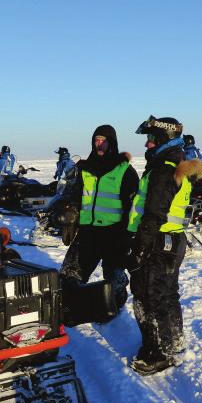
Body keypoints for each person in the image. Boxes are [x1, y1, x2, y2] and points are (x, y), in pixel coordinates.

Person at [127, 115, 202, 375]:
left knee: (149, 295)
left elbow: (154, 212)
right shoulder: (175, 163)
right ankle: (172, 344)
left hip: (158, 240)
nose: (147, 145)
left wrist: (140, 247)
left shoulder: (163, 168)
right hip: (171, 239)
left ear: (163, 138)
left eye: (151, 139)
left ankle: (159, 352)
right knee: (167, 294)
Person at [59, 125, 139, 312]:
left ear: (112, 142)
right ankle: (67, 308)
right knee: (70, 273)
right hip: (87, 231)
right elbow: (73, 195)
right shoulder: (85, 168)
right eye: (96, 140)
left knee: (114, 278)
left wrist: (129, 234)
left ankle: (113, 311)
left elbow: (133, 205)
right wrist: (70, 215)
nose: (99, 144)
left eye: (103, 140)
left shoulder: (124, 170)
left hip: (114, 233)